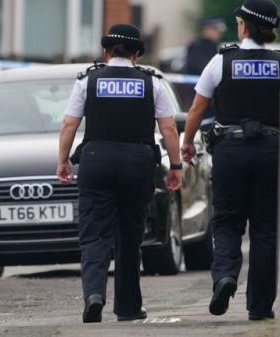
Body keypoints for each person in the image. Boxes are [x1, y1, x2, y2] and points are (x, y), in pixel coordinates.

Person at [56, 23, 183, 323]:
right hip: (137, 163)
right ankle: (127, 307)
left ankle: (94, 295)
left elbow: (69, 125)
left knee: (94, 233)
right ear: (137, 54)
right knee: (129, 236)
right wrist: (175, 167)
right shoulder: (151, 82)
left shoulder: (88, 80)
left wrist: (63, 161)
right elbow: (167, 128)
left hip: (96, 160)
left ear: (105, 51)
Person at [181, 0, 280, 321]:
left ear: (243, 26)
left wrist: (187, 142)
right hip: (272, 151)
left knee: (228, 221)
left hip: (230, 151)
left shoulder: (221, 62)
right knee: (266, 230)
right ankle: (259, 306)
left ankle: (225, 277)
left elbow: (197, 108)